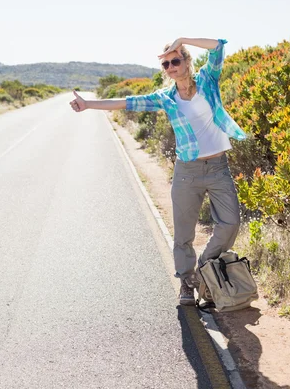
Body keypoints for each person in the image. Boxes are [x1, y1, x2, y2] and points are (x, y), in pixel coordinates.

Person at [69, 38, 246, 306]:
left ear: (187, 61)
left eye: (176, 60)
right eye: (166, 64)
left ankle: (201, 272)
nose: (171, 66)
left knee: (230, 223)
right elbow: (127, 102)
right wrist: (89, 105)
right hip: (187, 171)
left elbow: (218, 46)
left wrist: (183, 39)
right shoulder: (166, 98)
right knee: (184, 233)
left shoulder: (208, 80)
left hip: (218, 167)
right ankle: (187, 283)